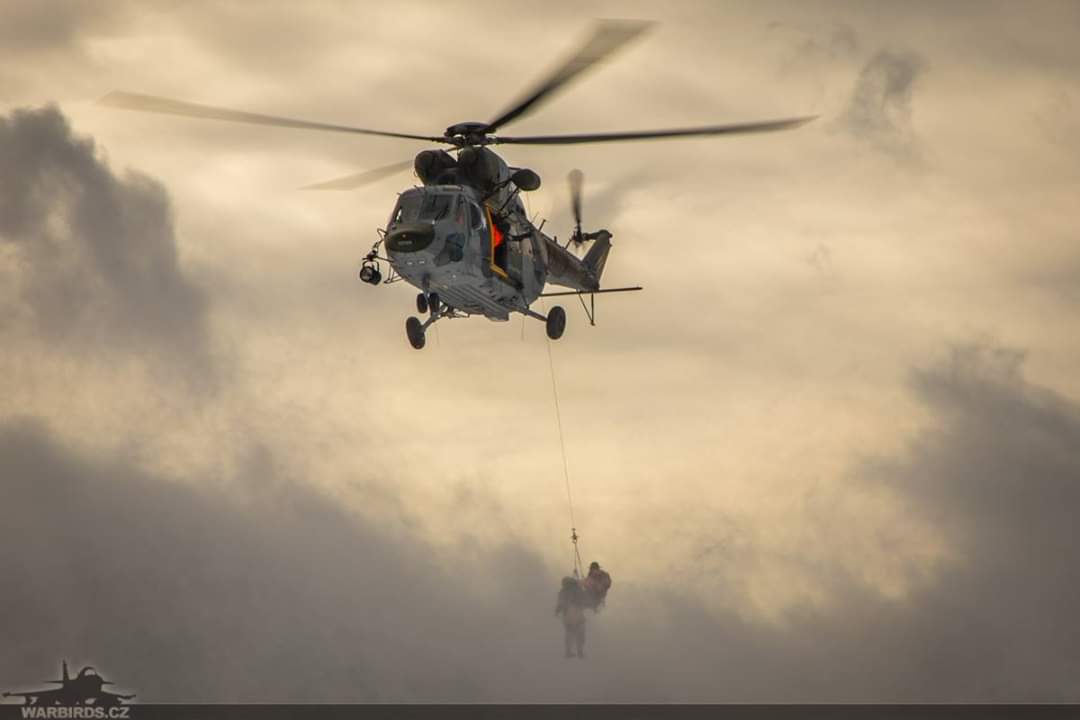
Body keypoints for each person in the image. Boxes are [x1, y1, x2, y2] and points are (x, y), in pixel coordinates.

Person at [554, 576, 586, 659]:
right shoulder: (577, 589)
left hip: (568, 615)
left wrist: (557, 611)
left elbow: (560, 603)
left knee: (570, 634)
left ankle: (569, 652)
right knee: (579, 633)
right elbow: (583, 600)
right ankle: (579, 651)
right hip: (577, 614)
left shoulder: (563, 591)